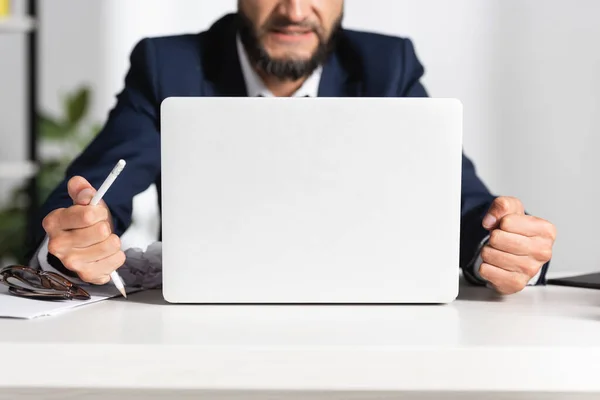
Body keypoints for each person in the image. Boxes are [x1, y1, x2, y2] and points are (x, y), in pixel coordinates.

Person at [26, 0, 556, 295]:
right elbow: (87, 198)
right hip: (203, 327)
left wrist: (500, 244)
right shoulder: (170, 65)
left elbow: (463, 203)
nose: (295, 9)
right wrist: (75, 244)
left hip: (368, 321)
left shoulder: (386, 64)